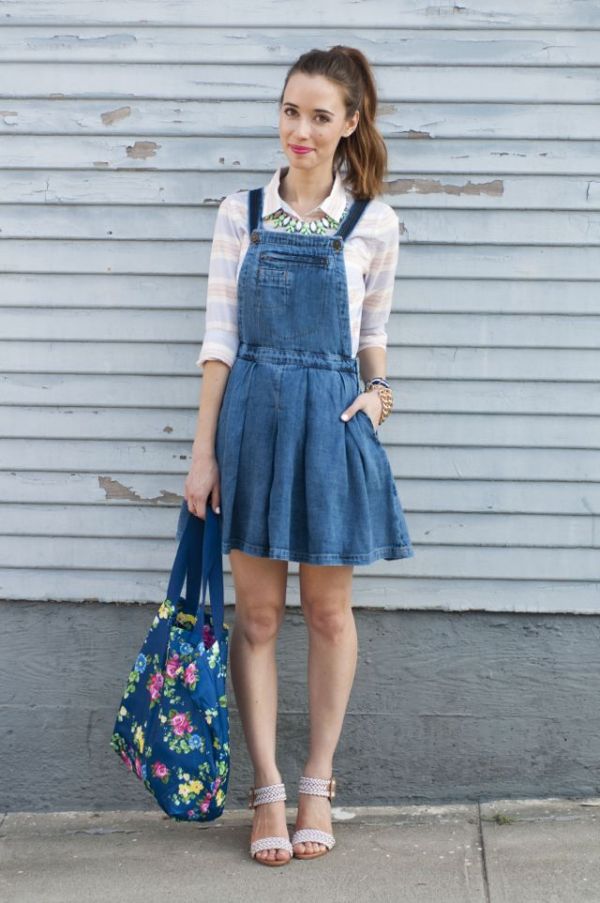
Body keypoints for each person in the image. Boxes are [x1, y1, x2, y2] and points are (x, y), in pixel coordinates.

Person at [178, 45, 415, 866]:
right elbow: (218, 341)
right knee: (258, 617)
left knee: (326, 613)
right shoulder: (239, 213)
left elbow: (374, 339)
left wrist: (377, 401)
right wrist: (203, 452)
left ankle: (320, 780)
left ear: (351, 124)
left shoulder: (374, 222)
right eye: (290, 112)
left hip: (331, 427)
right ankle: (269, 789)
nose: (301, 131)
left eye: (320, 116)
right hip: (251, 420)